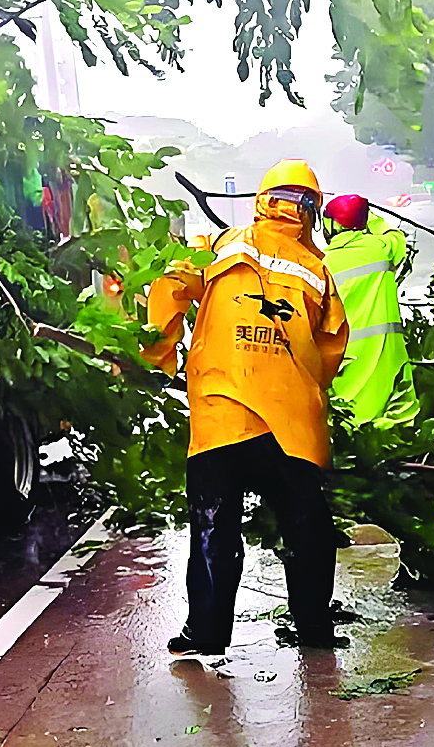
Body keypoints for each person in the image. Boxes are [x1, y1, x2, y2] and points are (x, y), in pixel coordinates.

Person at [145, 159, 350, 656]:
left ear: (263, 202)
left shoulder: (221, 246)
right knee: (307, 529)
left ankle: (207, 633)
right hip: (290, 422)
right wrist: (305, 389)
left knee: (214, 525)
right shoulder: (317, 271)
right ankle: (314, 630)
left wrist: (160, 355)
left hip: (221, 411)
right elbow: (331, 346)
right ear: (311, 212)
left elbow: (169, 284)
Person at [320, 192, 417, 424]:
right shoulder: (382, 250)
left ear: (331, 225)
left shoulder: (321, 265)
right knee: (397, 437)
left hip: (344, 369)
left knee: (349, 434)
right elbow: (396, 236)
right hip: (390, 369)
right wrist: (368, 217)